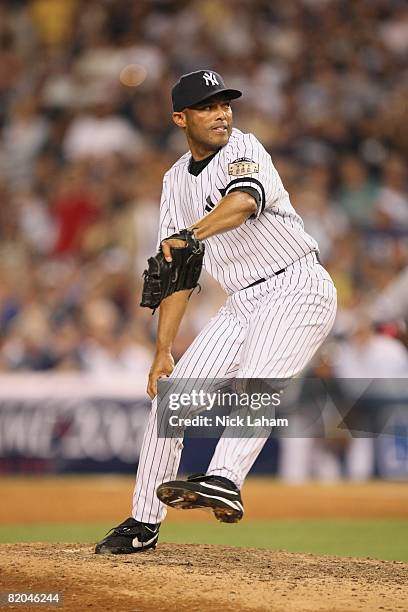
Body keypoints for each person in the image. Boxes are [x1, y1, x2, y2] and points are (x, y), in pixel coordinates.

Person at [95, 70, 337, 554]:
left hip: (296, 285)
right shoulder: (172, 181)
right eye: (207, 106)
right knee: (171, 400)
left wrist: (190, 236)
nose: (222, 112)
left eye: (225, 103)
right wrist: (163, 349)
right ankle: (143, 522)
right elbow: (176, 268)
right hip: (240, 301)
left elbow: (245, 202)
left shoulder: (244, 148)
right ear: (180, 118)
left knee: (257, 382)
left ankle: (225, 478)